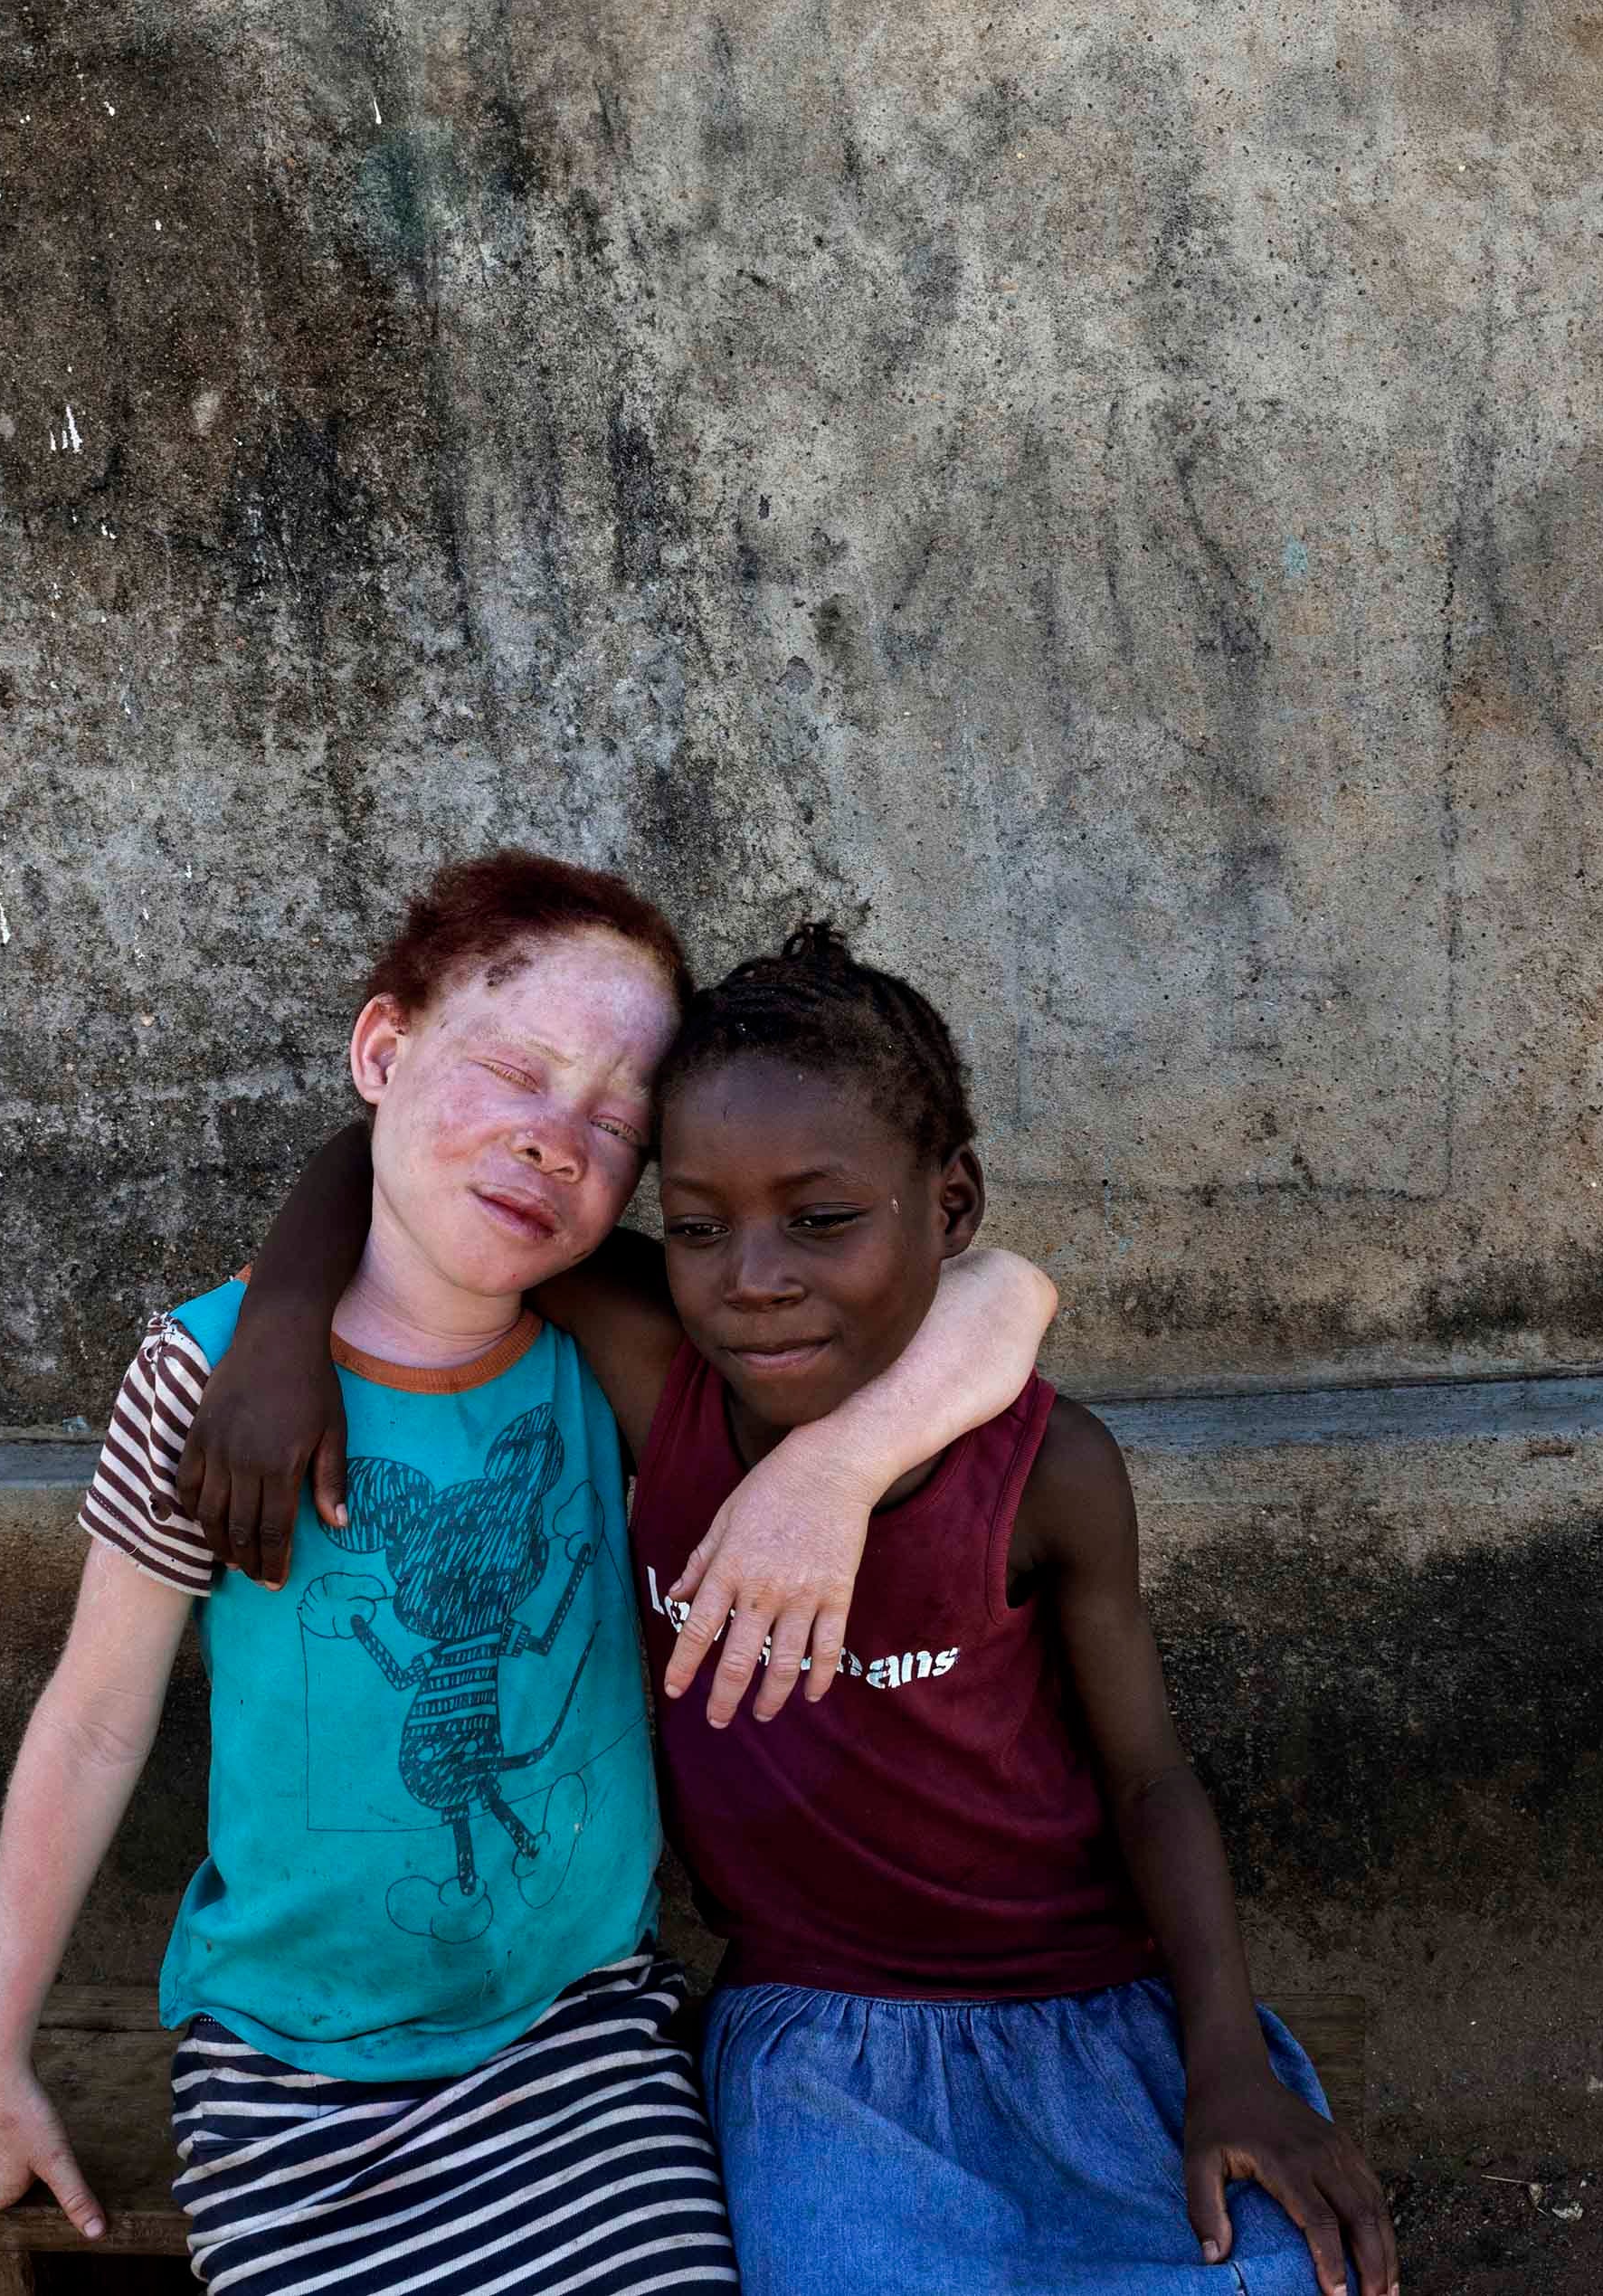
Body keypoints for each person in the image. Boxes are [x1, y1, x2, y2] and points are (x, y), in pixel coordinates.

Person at [0, 855, 1058, 2295]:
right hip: (289, 2070)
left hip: (585, 2038)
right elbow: (96, 1716)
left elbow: (1004, 1294)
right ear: (382, 1051)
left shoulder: (613, 1358)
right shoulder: (209, 1379)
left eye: (615, 1120)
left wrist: (829, 1470)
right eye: (516, 1070)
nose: (559, 1139)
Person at [188, 922, 1399, 2296]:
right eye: (698, 1228)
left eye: (819, 1220)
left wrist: (1227, 2059)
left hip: (1090, 2005)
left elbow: (1152, 1778)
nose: (753, 1276)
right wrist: (282, 1324)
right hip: (818, 2038)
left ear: (952, 1205)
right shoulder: (658, 1375)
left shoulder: (1049, 1474)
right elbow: (398, 1153)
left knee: (1269, 2273)